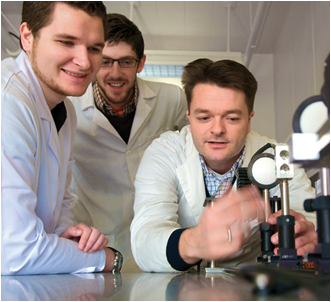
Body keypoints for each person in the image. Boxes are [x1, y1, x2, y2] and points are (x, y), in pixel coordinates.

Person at [130, 58, 318, 272]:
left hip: (254, 283)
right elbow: (144, 242)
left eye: (231, 118)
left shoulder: (278, 158)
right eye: (204, 117)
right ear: (189, 118)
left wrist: (308, 237)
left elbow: (311, 221)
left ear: (249, 120)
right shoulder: (165, 153)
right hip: (184, 283)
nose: (217, 129)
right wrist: (195, 241)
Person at [1, 1, 120, 275]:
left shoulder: (64, 109)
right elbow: (16, 253)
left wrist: (70, 233)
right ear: (28, 37)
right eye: (67, 42)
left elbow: (59, 202)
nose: (84, 61)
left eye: (94, 48)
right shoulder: (7, 102)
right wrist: (107, 258)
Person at [68, 13, 188, 272]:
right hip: (94, 240)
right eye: (106, 61)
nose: (115, 73)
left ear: (141, 62)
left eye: (126, 62)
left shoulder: (172, 99)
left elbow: (195, 156)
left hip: (157, 230)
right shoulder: (70, 106)